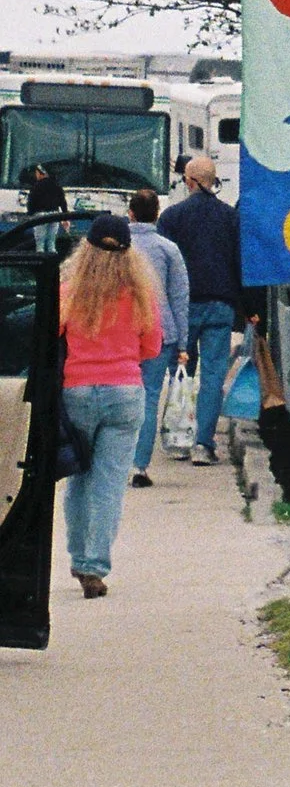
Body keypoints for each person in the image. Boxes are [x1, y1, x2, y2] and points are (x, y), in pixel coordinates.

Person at [59, 216, 162, 596]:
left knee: (79, 478)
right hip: (125, 392)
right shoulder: (140, 295)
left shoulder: (69, 291)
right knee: (109, 483)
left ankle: (77, 557)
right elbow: (151, 348)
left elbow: (46, 334)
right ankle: (95, 567)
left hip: (77, 391)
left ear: (85, 250)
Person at [160, 149, 248, 466]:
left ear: (190, 181)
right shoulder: (230, 217)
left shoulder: (171, 217)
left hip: (182, 309)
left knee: (181, 374)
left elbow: (163, 268)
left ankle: (179, 439)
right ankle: (203, 444)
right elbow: (240, 265)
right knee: (213, 376)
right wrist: (245, 306)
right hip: (220, 306)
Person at [124, 183, 190, 488]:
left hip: (122, 332)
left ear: (131, 213)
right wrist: (183, 343)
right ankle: (140, 466)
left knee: (120, 394)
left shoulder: (119, 248)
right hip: (160, 332)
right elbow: (179, 297)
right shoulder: (168, 249)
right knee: (149, 397)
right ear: (157, 215)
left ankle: (115, 462)